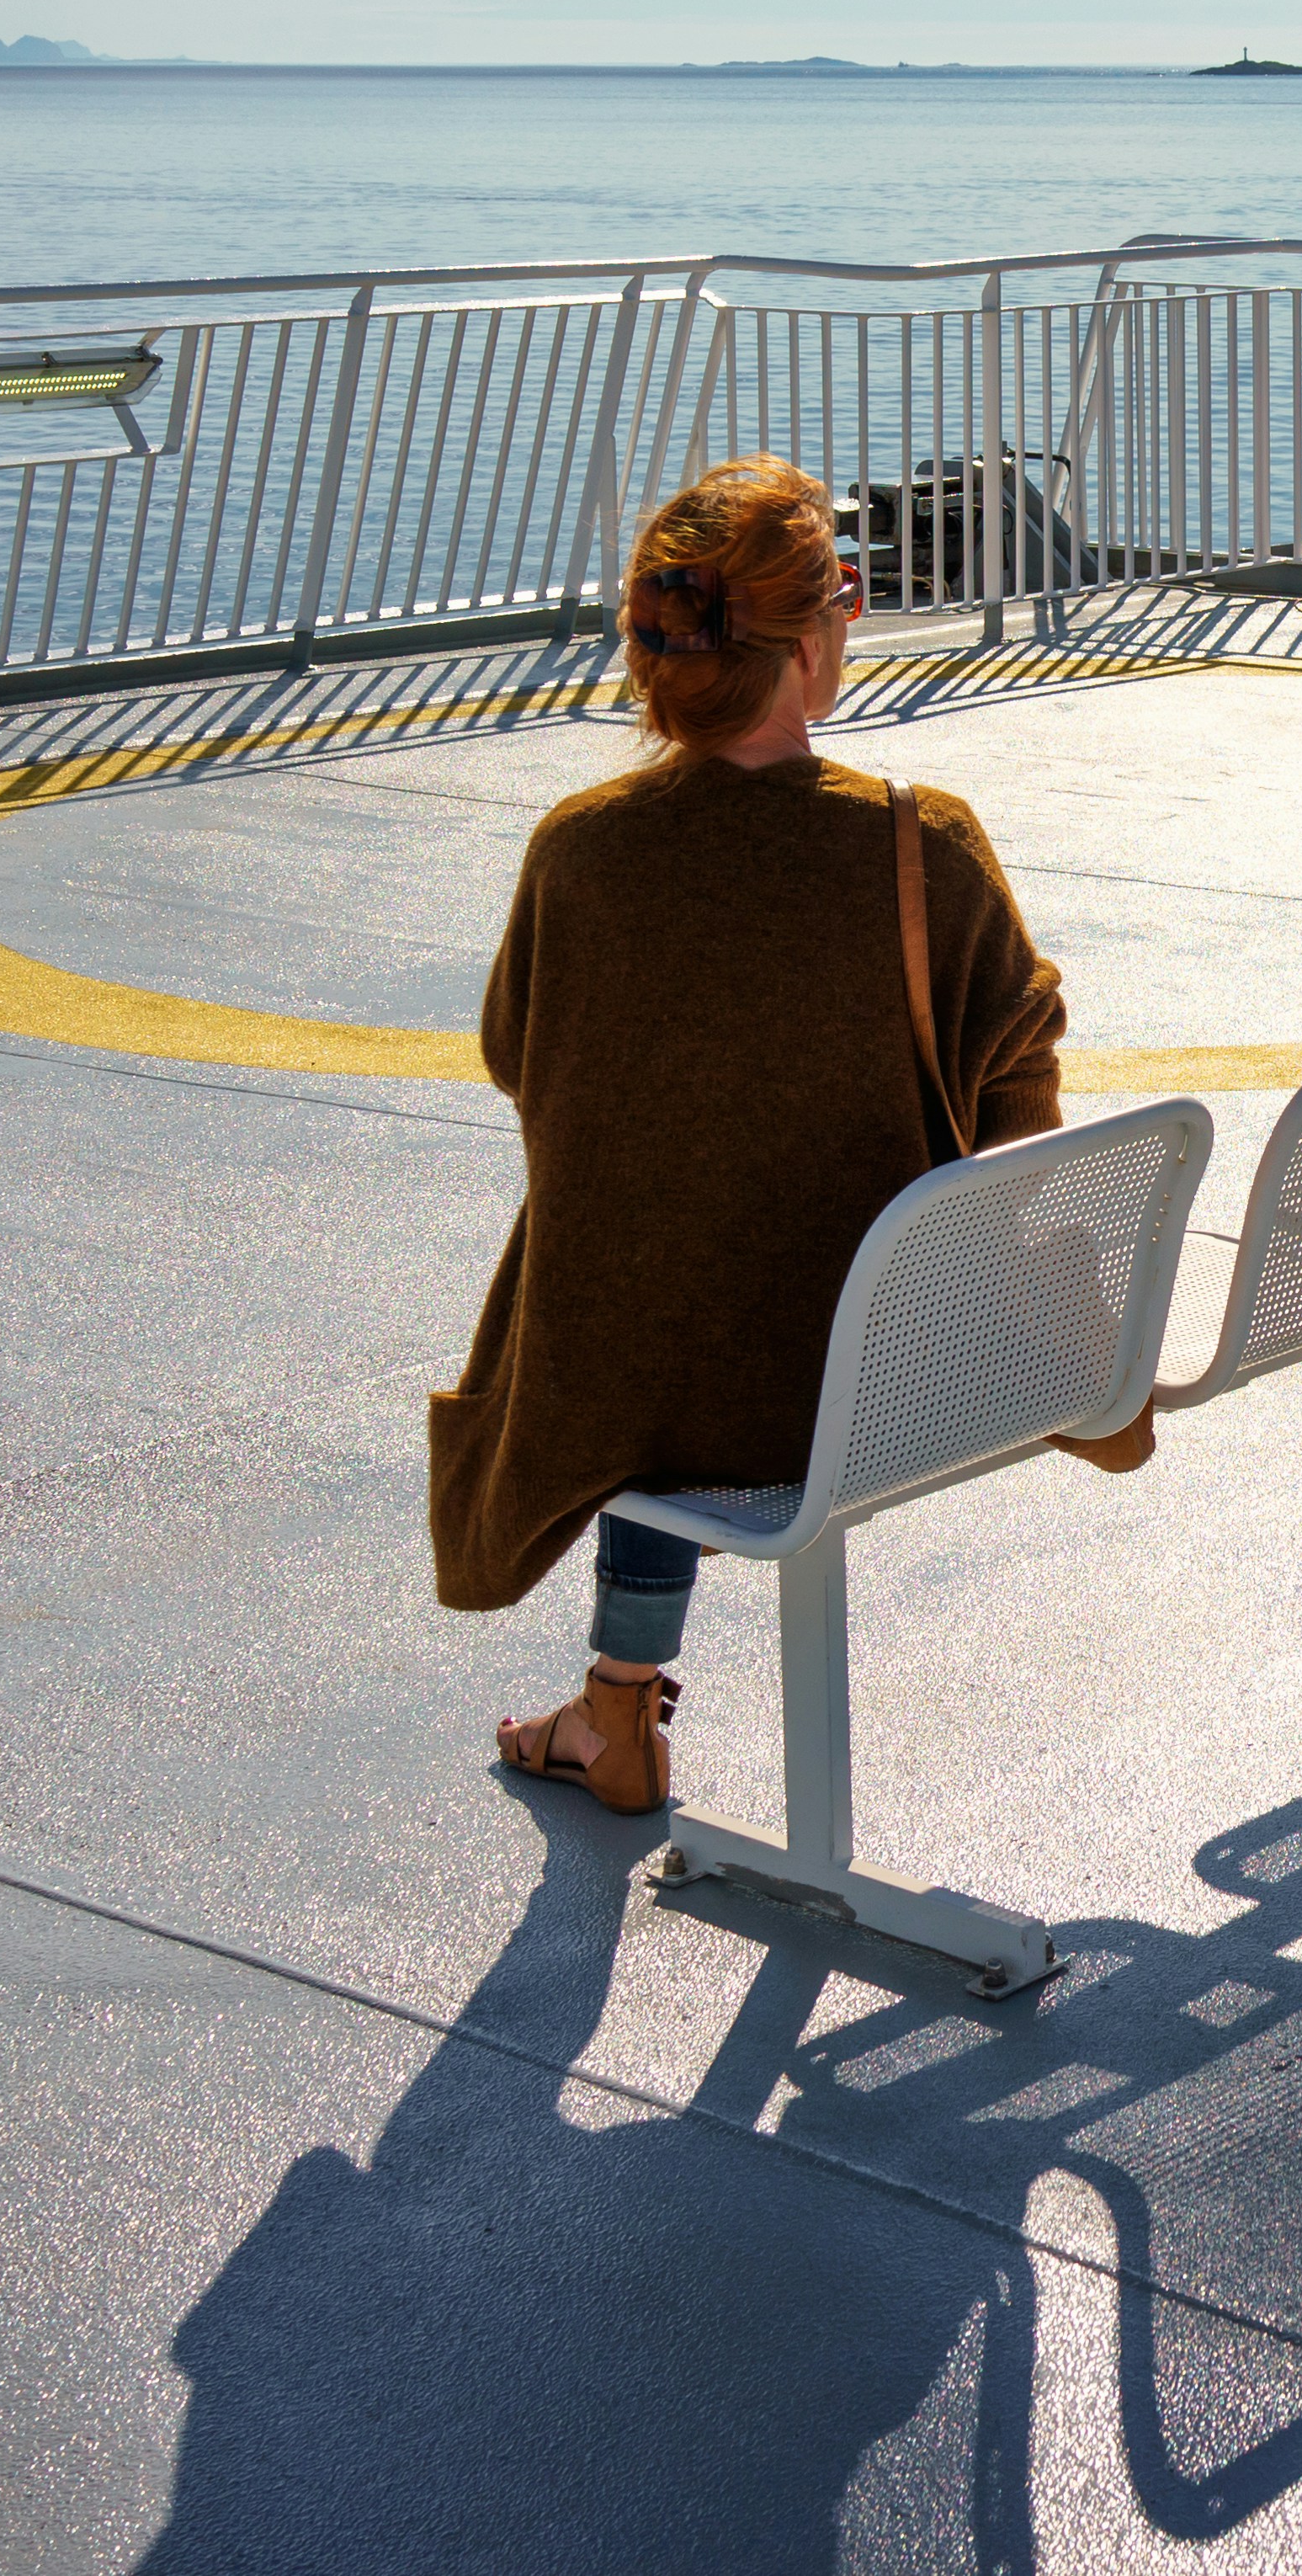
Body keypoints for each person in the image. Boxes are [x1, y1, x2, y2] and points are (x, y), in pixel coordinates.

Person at [428, 455, 1078, 1813]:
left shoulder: (579, 852)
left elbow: (512, 1056)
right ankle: (618, 1710)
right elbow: (1023, 1090)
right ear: (816, 638)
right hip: (894, 1376)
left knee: (651, 1254)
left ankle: (617, 1708)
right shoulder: (925, 845)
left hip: (643, 1402)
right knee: (740, 1255)